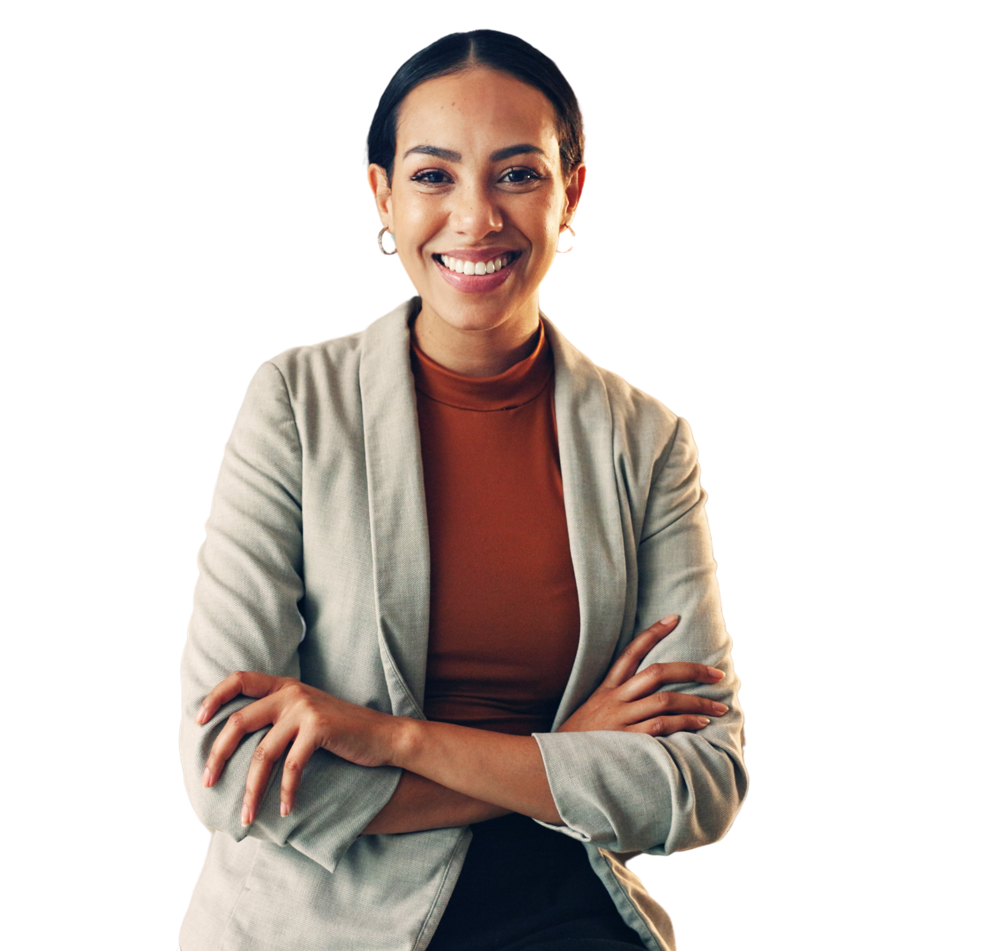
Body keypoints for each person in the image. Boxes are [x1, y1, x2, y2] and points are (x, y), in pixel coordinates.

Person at [177, 27, 748, 951]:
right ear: (382, 196)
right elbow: (232, 772)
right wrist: (564, 756)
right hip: (320, 921)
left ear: (573, 194)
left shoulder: (649, 441)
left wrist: (392, 738)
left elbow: (704, 782)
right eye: (434, 176)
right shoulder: (292, 401)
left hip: (567, 907)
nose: (476, 218)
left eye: (517, 174)